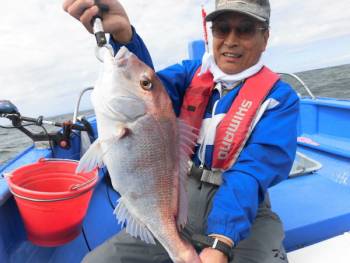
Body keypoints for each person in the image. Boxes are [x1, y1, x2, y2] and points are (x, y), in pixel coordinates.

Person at [63, 0, 299, 262]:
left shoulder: (279, 98)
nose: (231, 40)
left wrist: (221, 241)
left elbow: (253, 172)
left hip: (245, 211)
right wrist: (123, 36)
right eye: (222, 28)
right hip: (176, 196)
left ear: (264, 38)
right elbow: (149, 92)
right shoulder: (189, 75)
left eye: (244, 29)